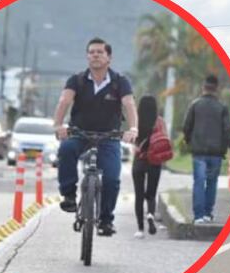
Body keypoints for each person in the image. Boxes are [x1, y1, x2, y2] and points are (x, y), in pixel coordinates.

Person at [53, 38, 137, 237]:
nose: (95, 55)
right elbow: (64, 101)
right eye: (91, 52)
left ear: (109, 57)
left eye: (100, 52)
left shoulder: (119, 81)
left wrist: (133, 128)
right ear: (87, 56)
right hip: (79, 133)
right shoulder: (77, 80)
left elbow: (129, 104)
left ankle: (106, 220)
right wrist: (58, 125)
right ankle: (69, 195)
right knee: (65, 149)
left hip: (109, 136)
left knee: (111, 179)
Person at [182, 74, 230, 224]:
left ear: (203, 87)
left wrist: (188, 141)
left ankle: (198, 216)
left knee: (199, 182)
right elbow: (227, 130)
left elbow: (187, 127)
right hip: (216, 153)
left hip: (198, 152)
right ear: (216, 88)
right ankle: (207, 213)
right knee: (212, 182)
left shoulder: (195, 105)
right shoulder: (222, 108)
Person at [131, 95, 167, 239]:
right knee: (151, 194)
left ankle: (140, 228)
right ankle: (151, 215)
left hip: (139, 161)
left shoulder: (136, 121)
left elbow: (133, 143)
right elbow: (164, 139)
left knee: (139, 196)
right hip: (155, 161)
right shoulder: (160, 122)